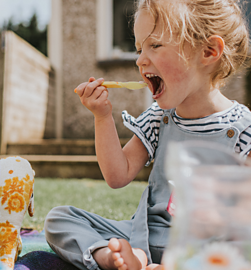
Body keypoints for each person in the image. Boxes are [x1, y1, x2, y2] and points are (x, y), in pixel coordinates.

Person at [44, 0, 251, 269]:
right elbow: (117, 176)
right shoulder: (159, 118)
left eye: (155, 45)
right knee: (60, 218)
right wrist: (102, 117)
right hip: (142, 235)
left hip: (205, 249)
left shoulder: (244, 128)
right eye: (139, 48)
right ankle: (110, 257)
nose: (140, 59)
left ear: (209, 52)